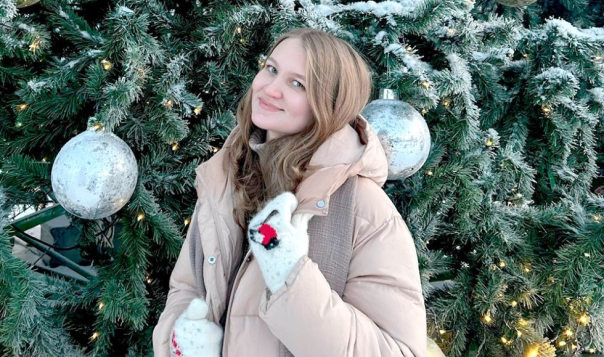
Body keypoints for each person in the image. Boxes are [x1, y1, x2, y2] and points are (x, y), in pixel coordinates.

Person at [152, 28, 427, 357]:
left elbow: (400, 351)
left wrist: (290, 277)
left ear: (330, 106)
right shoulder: (226, 179)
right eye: (271, 69)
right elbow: (185, 290)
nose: (270, 89)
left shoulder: (364, 208)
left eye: (297, 84)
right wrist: (180, 341)